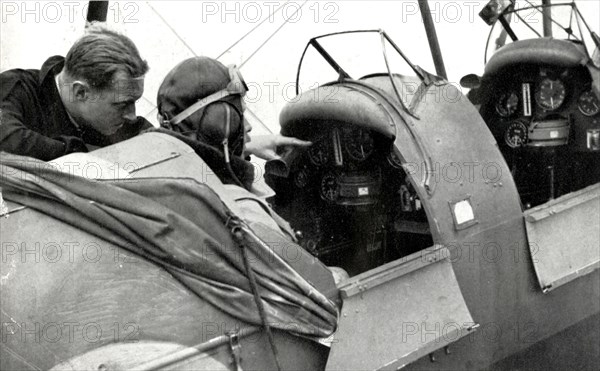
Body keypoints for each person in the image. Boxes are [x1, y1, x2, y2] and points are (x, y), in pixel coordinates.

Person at [0, 25, 151, 161]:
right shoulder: (14, 89)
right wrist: (75, 153)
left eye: (134, 101)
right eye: (123, 104)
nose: (131, 116)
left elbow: (146, 134)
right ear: (80, 92)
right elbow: (7, 137)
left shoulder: (104, 112)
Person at [155, 56, 311, 188]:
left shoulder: (160, 165)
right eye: (236, 118)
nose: (248, 127)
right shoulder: (220, 196)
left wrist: (248, 146)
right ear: (215, 127)